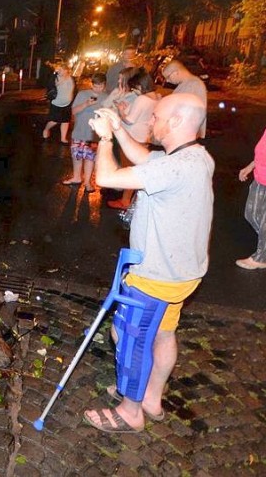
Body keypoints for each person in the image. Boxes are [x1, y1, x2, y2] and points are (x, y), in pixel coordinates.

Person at [83, 94, 214, 433]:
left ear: (175, 122)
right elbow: (145, 158)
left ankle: (130, 411)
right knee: (164, 332)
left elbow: (108, 179)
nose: (151, 122)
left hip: (155, 276)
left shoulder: (174, 167)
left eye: (156, 117)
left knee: (128, 336)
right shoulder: (195, 157)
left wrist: (106, 138)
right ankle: (152, 397)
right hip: (182, 274)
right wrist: (119, 129)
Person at [107, 71, 161, 210]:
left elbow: (129, 120)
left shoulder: (142, 99)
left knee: (129, 169)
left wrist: (120, 110)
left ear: (140, 85)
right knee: (137, 168)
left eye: (135, 88)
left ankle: (125, 201)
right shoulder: (157, 97)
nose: (134, 91)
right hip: (144, 137)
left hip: (133, 137)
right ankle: (131, 200)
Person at [61, 73, 107, 192]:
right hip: (79, 131)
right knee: (77, 156)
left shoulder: (106, 97)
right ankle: (76, 177)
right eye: (96, 85)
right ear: (92, 84)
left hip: (94, 134)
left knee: (90, 158)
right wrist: (86, 104)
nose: (98, 88)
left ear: (104, 85)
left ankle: (87, 182)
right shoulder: (83, 94)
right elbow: (73, 111)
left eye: (101, 86)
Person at [236, 126, 266, 269]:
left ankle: (261, 258)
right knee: (251, 215)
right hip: (260, 179)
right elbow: (262, 153)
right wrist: (250, 167)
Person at [162, 60, 207, 138]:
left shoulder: (194, 84)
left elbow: (190, 110)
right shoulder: (186, 84)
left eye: (168, 77)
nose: (167, 81)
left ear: (176, 72)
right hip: (183, 131)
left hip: (187, 133)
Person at [42, 64, 75, 144]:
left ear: (66, 70)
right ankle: (46, 129)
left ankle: (63, 138)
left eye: (61, 70)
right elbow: (52, 85)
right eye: (58, 70)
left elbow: (73, 89)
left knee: (65, 121)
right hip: (56, 103)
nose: (59, 71)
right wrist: (55, 74)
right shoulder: (56, 77)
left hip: (67, 104)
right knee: (54, 121)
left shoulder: (71, 78)